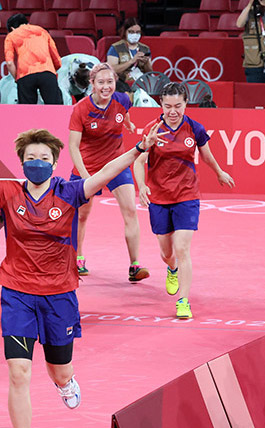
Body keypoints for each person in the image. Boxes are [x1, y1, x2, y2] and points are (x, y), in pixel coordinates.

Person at [0, 110, 159, 428]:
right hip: (18, 295)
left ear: (53, 163)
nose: (37, 161)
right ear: (22, 162)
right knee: (19, 372)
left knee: (59, 369)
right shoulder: (8, 193)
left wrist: (138, 149)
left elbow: (106, 172)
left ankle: (65, 383)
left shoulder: (69, 192)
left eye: (43, 157)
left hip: (59, 295)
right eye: (30, 156)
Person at [133, 82, 235, 319]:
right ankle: (172, 269)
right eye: (168, 106)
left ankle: (183, 301)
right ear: (161, 104)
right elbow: (139, 161)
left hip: (187, 195)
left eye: (178, 106)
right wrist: (142, 187)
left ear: (186, 104)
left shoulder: (195, 128)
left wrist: (219, 172)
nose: (172, 111)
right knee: (166, 252)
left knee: (182, 248)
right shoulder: (152, 129)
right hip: (159, 197)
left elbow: (206, 156)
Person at [68, 62, 149, 282]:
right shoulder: (81, 109)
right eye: (101, 82)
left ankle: (134, 265)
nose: (106, 86)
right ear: (92, 84)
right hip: (87, 167)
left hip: (117, 163)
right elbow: (73, 147)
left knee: (130, 211)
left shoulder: (122, 99)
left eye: (110, 82)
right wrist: (86, 176)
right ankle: (77, 257)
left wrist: (129, 124)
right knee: (81, 216)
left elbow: (125, 113)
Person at [4, 13, 63, 105]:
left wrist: (17, 78)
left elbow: (9, 63)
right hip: (47, 72)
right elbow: (56, 58)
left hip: (25, 75)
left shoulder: (11, 36)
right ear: (27, 23)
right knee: (56, 108)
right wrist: (52, 70)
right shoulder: (42, 31)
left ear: (12, 28)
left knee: (27, 112)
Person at [106, 18, 153, 93]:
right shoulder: (115, 48)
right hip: (122, 85)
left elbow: (150, 73)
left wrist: (146, 63)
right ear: (125, 32)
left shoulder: (145, 49)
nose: (135, 35)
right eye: (131, 32)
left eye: (137, 32)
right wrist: (132, 61)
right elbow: (112, 70)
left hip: (141, 84)